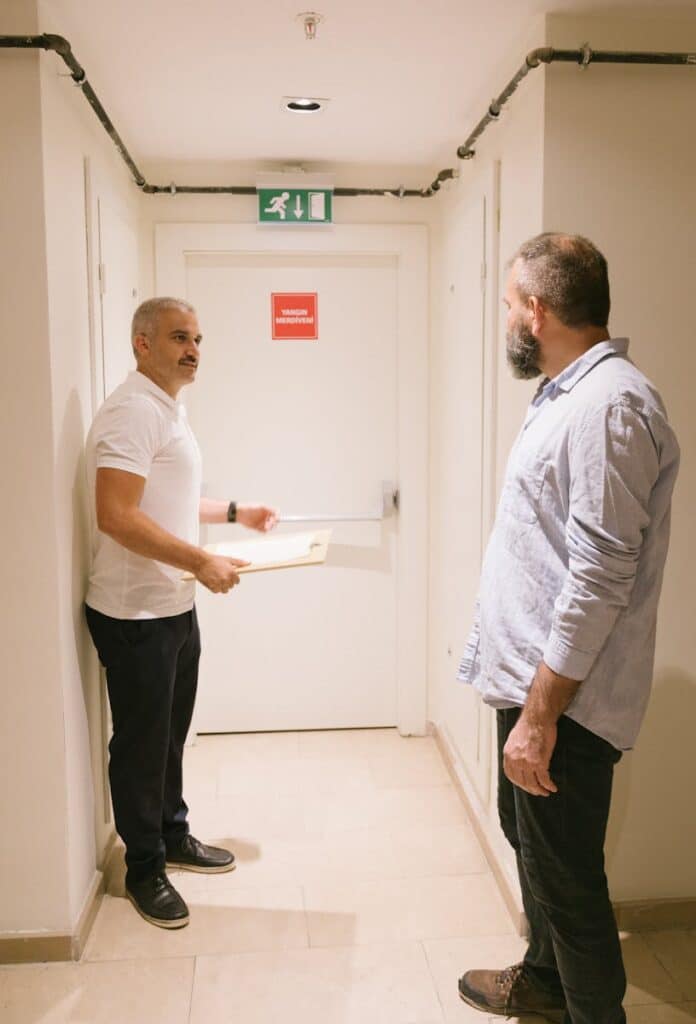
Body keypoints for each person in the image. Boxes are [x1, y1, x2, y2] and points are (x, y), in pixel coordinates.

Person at [457, 234, 679, 1024]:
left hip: (565, 705)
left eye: (511, 303)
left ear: (539, 310)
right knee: (536, 853)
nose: (508, 318)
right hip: (534, 688)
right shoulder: (565, 394)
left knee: (571, 883)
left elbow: (600, 574)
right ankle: (546, 984)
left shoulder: (608, 405)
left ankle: (588, 1009)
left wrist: (543, 715)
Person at [84, 297, 278, 930]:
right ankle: (143, 868)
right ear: (142, 343)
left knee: (168, 736)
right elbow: (115, 516)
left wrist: (234, 513)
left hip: (172, 604)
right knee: (141, 745)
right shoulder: (132, 411)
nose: (193, 349)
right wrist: (200, 562)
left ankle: (171, 833)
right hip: (134, 613)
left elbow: (165, 502)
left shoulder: (168, 409)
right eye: (177, 338)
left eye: (197, 338)